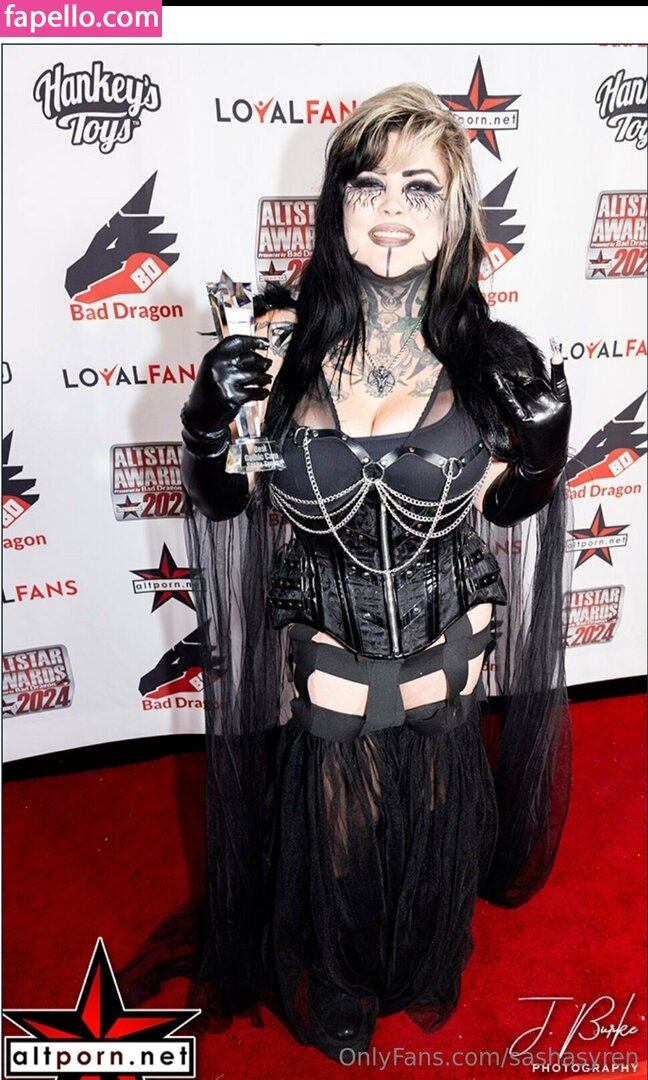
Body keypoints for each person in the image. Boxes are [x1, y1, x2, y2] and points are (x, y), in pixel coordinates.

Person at [179, 84, 573, 1062]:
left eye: (420, 187)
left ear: (454, 213)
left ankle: (421, 955)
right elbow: (226, 501)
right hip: (333, 656)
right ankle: (344, 981)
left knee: (436, 810)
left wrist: (540, 461)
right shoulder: (276, 352)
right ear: (337, 204)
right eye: (368, 185)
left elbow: (504, 510)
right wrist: (203, 426)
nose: (392, 209)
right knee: (338, 826)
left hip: (448, 642)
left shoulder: (494, 360)